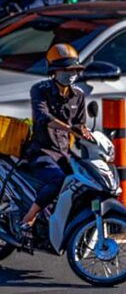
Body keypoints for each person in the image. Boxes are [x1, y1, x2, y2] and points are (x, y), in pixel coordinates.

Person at [18, 44, 90, 237]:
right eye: (66, 70)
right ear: (53, 71)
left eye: (74, 70)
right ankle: (30, 217)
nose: (71, 74)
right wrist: (69, 128)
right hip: (42, 152)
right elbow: (42, 116)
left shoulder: (79, 95)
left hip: (65, 154)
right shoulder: (39, 90)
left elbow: (80, 124)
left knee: (85, 182)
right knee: (58, 180)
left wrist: (90, 137)